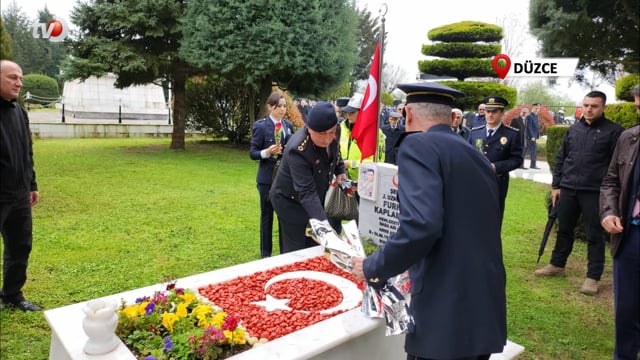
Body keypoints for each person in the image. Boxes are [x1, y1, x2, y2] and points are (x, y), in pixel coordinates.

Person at [351, 82, 506, 360]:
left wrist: (373, 266)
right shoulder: (475, 155)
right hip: (482, 303)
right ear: (450, 116)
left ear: (408, 114)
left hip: (444, 308)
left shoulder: (418, 145)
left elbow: (421, 225)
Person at [535, 91, 624, 295]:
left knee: (595, 235)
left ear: (604, 108)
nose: (589, 109)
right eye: (585, 105)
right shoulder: (573, 130)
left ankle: (593, 277)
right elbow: (561, 158)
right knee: (564, 229)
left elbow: (617, 166)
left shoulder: (614, 132)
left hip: (595, 192)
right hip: (568, 189)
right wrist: (556, 186)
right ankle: (557, 265)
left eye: (594, 106)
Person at [270, 102, 346, 253]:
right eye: (321, 134)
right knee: (296, 250)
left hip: (315, 196)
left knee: (316, 246)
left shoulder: (334, 130)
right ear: (310, 129)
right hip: (290, 202)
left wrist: (340, 170)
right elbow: (306, 192)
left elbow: (336, 152)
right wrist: (324, 225)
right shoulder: (297, 149)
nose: (326, 139)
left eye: (330, 133)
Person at [599, 84, 640, 359]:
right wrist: (609, 211)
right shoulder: (629, 138)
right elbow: (611, 181)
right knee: (626, 311)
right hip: (631, 236)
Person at [0, 60, 41, 312]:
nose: (19, 83)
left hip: (18, 195)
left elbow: (27, 152)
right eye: (12, 78)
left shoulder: (19, 113)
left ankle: (12, 294)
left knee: (20, 245)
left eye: (21, 79)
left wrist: (32, 184)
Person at [249, 92, 295, 258]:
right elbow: (253, 153)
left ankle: (285, 254)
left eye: (284, 106)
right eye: (279, 106)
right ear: (270, 106)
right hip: (267, 179)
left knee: (284, 216)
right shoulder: (261, 126)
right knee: (267, 216)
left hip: (283, 178)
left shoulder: (288, 125)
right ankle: (266, 255)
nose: (282, 109)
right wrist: (267, 152)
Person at [469, 96, 523, 222]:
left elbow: (517, 159)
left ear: (502, 113)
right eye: (488, 111)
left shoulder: (511, 134)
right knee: (473, 218)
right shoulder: (475, 132)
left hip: (497, 183)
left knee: (493, 219)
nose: (490, 115)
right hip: (476, 182)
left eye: (494, 112)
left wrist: (496, 167)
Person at [340, 94, 384, 181]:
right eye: (347, 112)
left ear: (363, 112)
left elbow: (376, 162)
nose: (348, 115)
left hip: (365, 181)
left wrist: (351, 164)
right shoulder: (342, 127)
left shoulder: (375, 133)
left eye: (352, 112)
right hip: (343, 178)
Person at [525, 103, 541, 169]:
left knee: (529, 151)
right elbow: (529, 127)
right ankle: (532, 165)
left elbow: (536, 126)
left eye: (538, 108)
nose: (537, 110)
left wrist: (537, 135)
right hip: (530, 137)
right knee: (531, 151)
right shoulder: (530, 116)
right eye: (535, 108)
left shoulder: (536, 116)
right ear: (532, 108)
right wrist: (532, 136)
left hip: (534, 136)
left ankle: (532, 165)